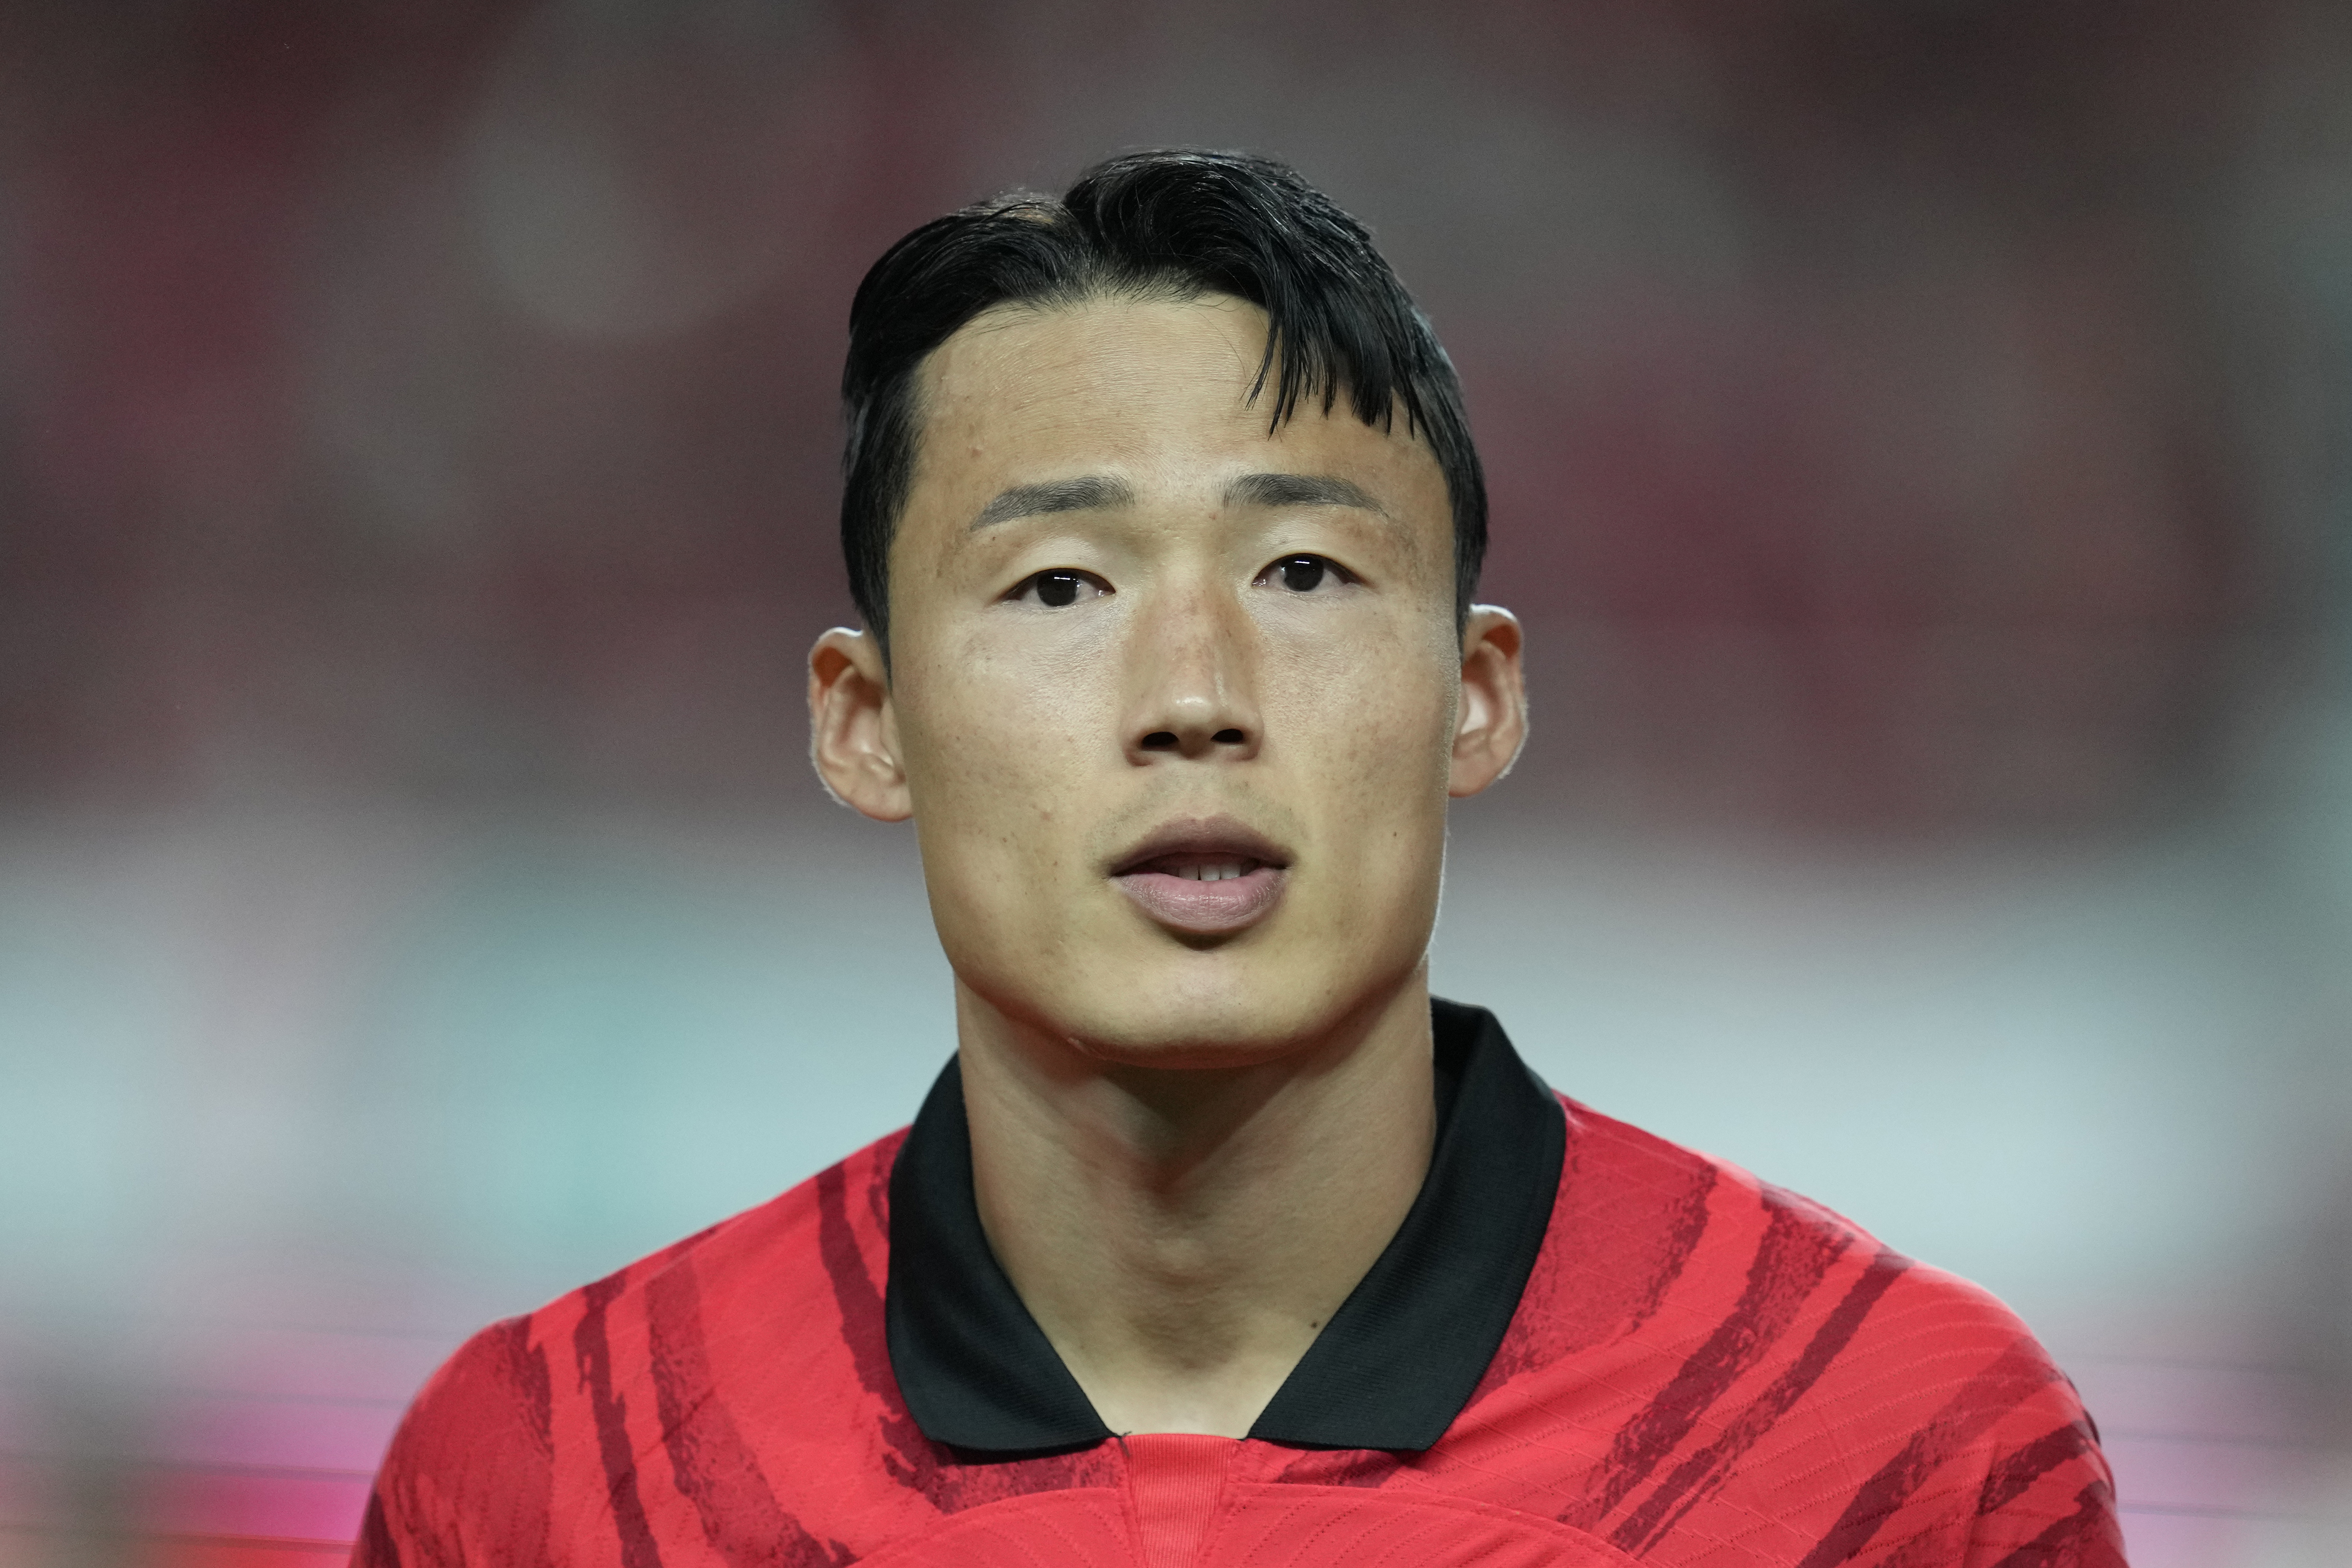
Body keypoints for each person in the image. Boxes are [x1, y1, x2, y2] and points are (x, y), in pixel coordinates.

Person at [353, 150, 2126, 1568]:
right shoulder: (551, 1478)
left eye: (1303, 576)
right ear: (864, 721)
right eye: (1060, 586)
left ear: (1477, 697)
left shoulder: (1897, 1456)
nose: (1192, 696)